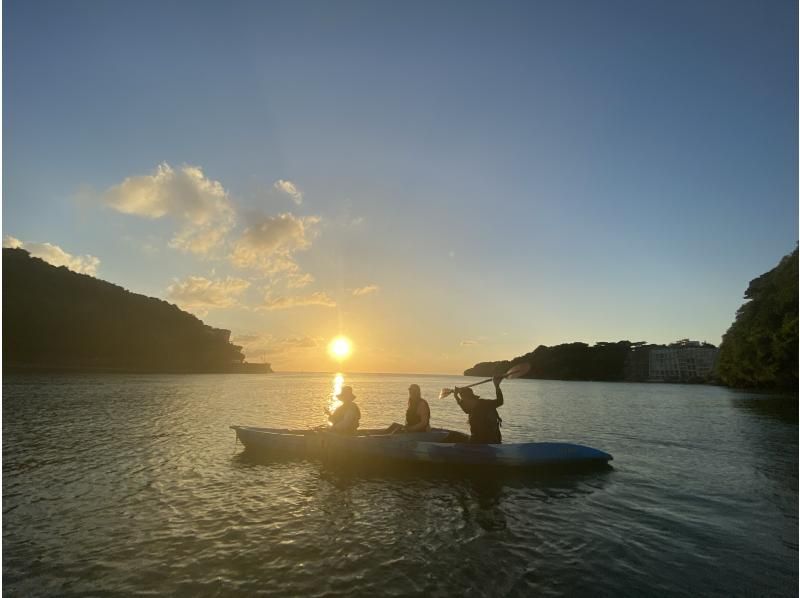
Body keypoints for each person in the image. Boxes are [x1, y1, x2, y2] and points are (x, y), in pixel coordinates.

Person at [452, 375, 504, 443]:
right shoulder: (470, 407)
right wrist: (456, 396)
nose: (463, 402)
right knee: (453, 436)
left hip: (488, 441)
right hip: (477, 439)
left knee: (454, 438)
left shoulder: (484, 404)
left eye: (463, 400)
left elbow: (499, 401)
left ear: (469, 399)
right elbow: (465, 409)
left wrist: (497, 386)